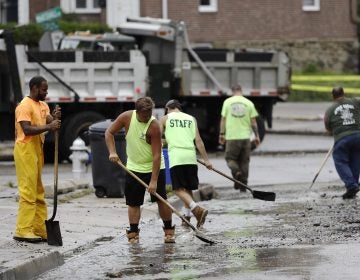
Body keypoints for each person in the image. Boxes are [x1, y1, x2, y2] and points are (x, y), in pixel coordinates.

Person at [105, 97, 175, 243]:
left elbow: (157, 155)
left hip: (154, 166)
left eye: (149, 114)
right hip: (134, 167)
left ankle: (168, 230)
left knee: (161, 200)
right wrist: (112, 151)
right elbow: (109, 133)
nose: (147, 117)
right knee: (133, 202)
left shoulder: (154, 125)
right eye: (144, 115)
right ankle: (133, 232)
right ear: (137, 112)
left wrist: (154, 181)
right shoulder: (126, 117)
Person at [13, 75, 61, 243]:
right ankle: (23, 229)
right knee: (28, 191)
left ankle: (40, 228)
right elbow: (26, 129)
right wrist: (49, 126)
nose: (46, 93)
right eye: (43, 89)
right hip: (25, 149)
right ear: (33, 88)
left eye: (46, 89)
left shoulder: (43, 105)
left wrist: (56, 118)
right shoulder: (24, 106)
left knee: (39, 192)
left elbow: (52, 122)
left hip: (37, 150)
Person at [159, 99, 212, 228]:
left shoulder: (165, 119)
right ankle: (187, 217)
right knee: (187, 188)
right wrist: (206, 160)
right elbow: (198, 141)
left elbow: (158, 139)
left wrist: (164, 143)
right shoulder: (191, 119)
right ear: (179, 108)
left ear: (167, 108)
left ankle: (197, 209)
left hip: (177, 157)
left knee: (177, 189)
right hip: (191, 157)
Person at [218, 84, 260, 192]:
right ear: (241, 91)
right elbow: (254, 122)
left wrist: (222, 134)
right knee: (244, 161)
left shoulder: (227, 102)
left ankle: (236, 172)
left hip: (232, 137)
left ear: (232, 92)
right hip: (246, 138)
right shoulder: (249, 103)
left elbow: (223, 120)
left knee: (230, 158)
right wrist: (257, 136)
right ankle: (244, 186)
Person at [324, 87, 360, 199]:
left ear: (332, 96)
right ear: (344, 94)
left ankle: (351, 185)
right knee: (355, 160)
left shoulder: (330, 109)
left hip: (342, 138)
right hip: (358, 135)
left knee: (340, 161)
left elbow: (327, 125)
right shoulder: (354, 101)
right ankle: (353, 186)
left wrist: (333, 132)